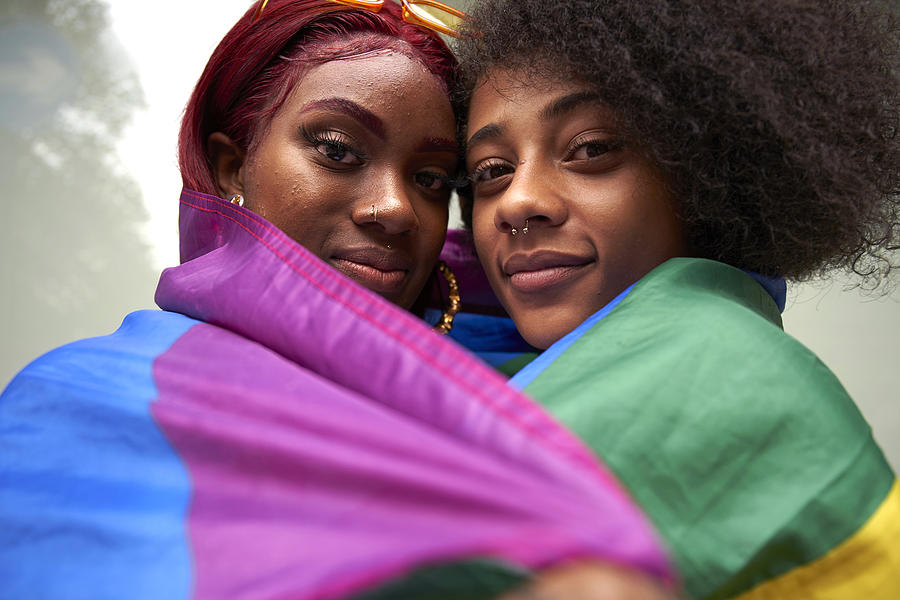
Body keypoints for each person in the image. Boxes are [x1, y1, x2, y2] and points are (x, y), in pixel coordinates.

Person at [0, 1, 676, 599]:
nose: (396, 210)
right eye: (337, 149)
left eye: (432, 178)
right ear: (233, 165)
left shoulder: (558, 347)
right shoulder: (81, 402)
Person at [455, 0, 900, 598]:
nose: (517, 201)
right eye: (490, 171)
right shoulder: (468, 360)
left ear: (703, 172)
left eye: (589, 148)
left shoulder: (722, 360)